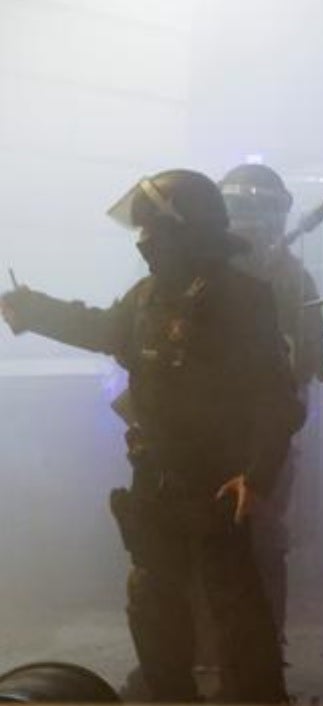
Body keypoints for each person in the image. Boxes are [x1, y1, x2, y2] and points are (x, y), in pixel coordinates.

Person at [0, 169, 303, 703]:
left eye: (153, 232)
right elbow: (101, 328)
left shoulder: (242, 299)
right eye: (140, 231)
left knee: (237, 615)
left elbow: (276, 400)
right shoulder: (145, 298)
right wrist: (33, 309)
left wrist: (256, 477)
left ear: (189, 234)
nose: (142, 244)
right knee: (154, 605)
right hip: (155, 481)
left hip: (217, 485)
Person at [219, 162, 323, 639]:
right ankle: (197, 655)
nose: (253, 221)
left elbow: (307, 361)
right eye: (243, 209)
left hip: (265, 437)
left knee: (261, 541)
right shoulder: (200, 273)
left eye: (262, 211)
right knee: (194, 541)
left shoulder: (293, 281)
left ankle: (262, 658)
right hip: (202, 431)